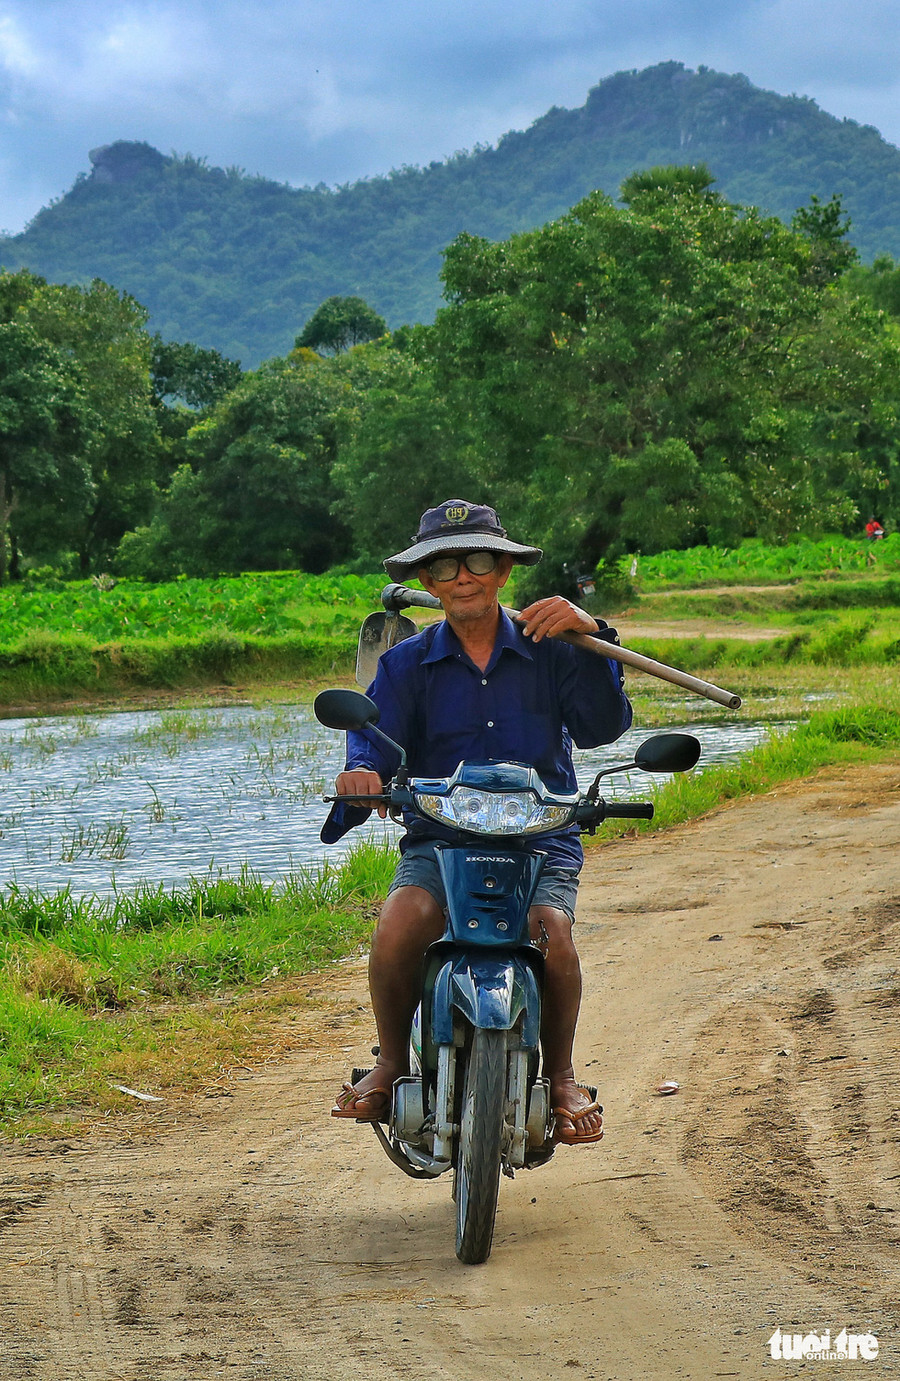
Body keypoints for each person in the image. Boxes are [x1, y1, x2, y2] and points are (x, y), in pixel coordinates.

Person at [322, 499, 633, 1145]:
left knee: (553, 935)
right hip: (443, 834)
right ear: (429, 582)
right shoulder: (406, 663)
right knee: (399, 922)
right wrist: (362, 774)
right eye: (445, 565)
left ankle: (566, 1077)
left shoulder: (557, 646)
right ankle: (387, 1064)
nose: (464, 576)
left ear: (503, 571)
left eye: (480, 559)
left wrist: (593, 632)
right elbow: (373, 741)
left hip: (539, 834)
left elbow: (604, 727)